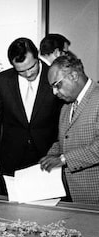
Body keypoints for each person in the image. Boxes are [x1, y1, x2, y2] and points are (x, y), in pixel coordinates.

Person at [0, 37, 62, 194]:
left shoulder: (54, 76)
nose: (28, 74)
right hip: (11, 158)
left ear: (37, 56)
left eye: (31, 67)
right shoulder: (2, 81)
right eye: (21, 71)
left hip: (47, 156)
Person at [40, 55, 99, 204]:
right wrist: (50, 156)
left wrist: (63, 159)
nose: (54, 92)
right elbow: (64, 140)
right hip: (72, 194)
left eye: (57, 85)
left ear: (73, 75)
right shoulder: (67, 106)